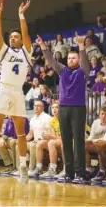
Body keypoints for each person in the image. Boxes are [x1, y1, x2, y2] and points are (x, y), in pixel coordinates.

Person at [0, 0, 32, 183]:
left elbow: (25, 33)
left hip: (18, 92)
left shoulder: (27, 52)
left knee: (20, 133)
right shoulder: (3, 51)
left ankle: (24, 167)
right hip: (3, 89)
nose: (13, 39)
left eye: (16, 37)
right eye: (11, 37)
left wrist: (21, 15)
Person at [38, 32, 91, 183]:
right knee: (66, 141)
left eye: (74, 58)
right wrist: (43, 47)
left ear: (79, 60)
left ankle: (80, 172)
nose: (70, 60)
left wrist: (81, 47)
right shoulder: (63, 70)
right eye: (69, 58)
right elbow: (51, 60)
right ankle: (69, 173)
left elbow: (86, 62)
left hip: (78, 109)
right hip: (63, 109)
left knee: (78, 141)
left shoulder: (83, 71)